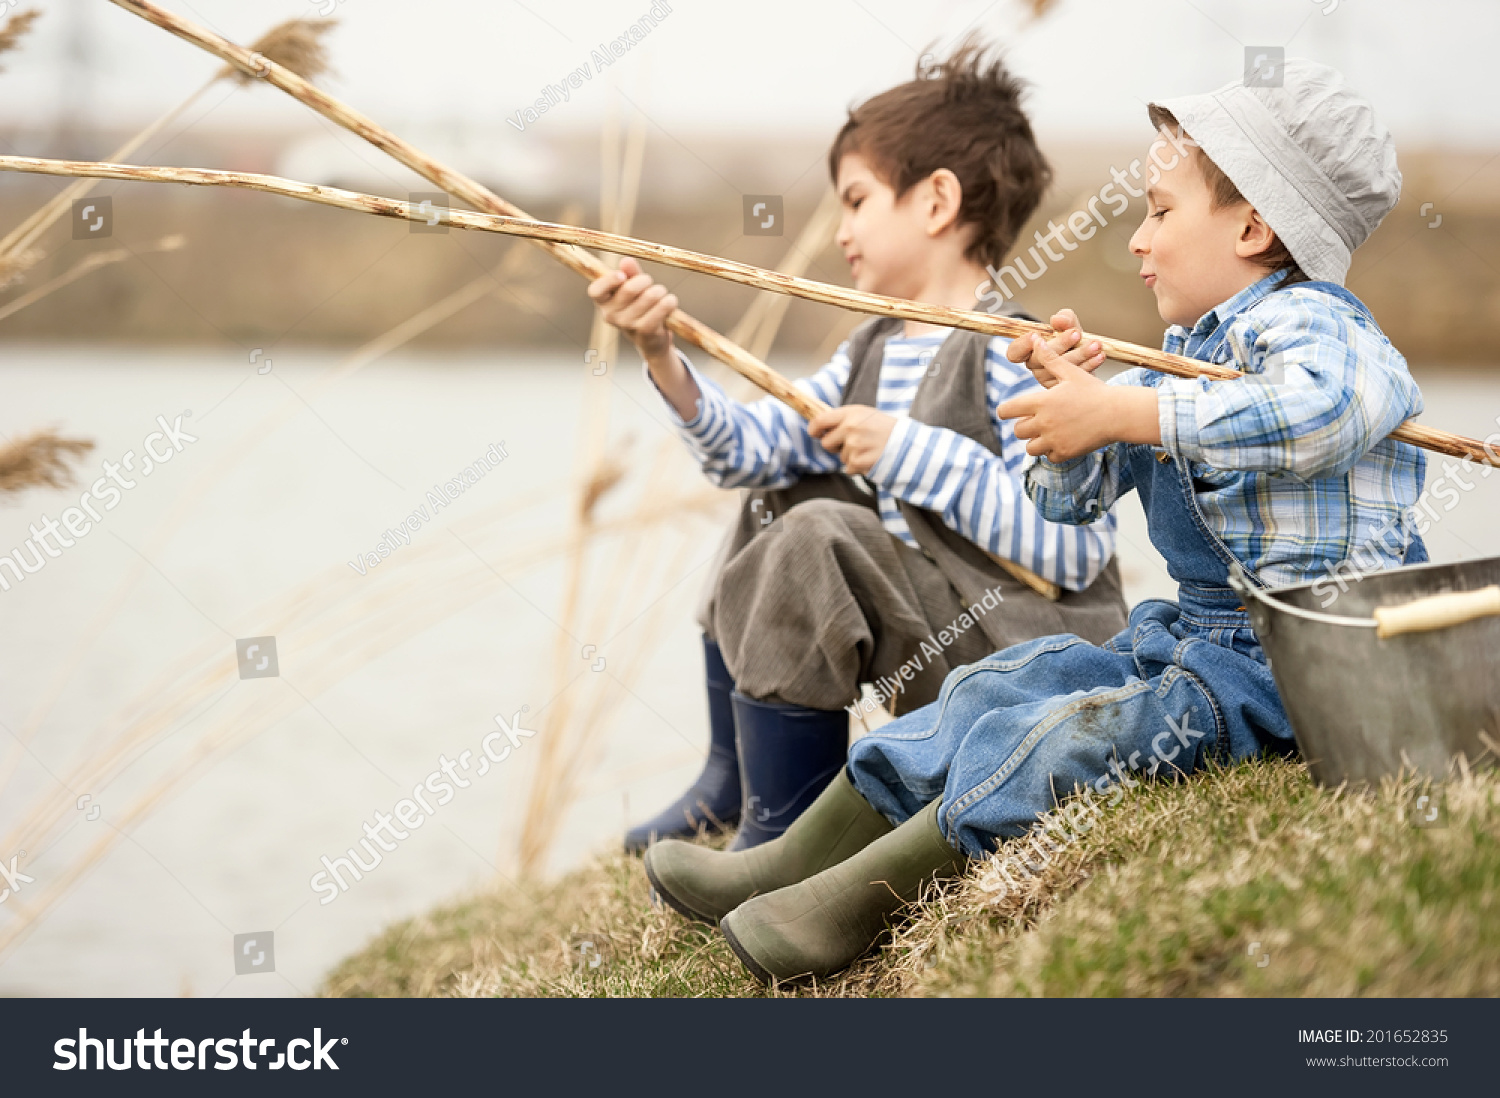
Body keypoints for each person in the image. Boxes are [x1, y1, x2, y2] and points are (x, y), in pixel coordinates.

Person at [644, 58, 1429, 983]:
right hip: (1194, 639)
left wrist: (1130, 414)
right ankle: (794, 852)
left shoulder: (1320, 328)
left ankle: (861, 900)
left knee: (1068, 738)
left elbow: (1324, 412)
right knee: (998, 685)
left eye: (1161, 212)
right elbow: (1069, 501)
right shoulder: (1178, 361)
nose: (1136, 240)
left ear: (1255, 226)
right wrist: (1070, 425)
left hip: (1299, 663)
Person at [591, 39, 1128, 854]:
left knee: (817, 534)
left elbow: (1070, 550)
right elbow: (752, 451)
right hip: (930, 635)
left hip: (1021, 666)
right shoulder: (871, 350)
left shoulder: (1017, 353)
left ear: (937, 201)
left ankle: (789, 841)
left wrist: (909, 451)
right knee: (783, 498)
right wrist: (664, 353)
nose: (840, 231)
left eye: (856, 200)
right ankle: (739, 779)